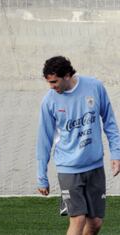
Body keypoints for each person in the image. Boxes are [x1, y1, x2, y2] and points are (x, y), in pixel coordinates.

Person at [36, 56, 120, 235]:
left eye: (54, 82)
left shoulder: (94, 87)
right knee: (78, 219)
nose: (51, 86)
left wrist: (116, 153)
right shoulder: (49, 101)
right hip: (68, 169)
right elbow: (44, 140)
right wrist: (41, 175)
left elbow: (110, 122)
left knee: (95, 223)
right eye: (48, 82)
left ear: (67, 75)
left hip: (95, 167)